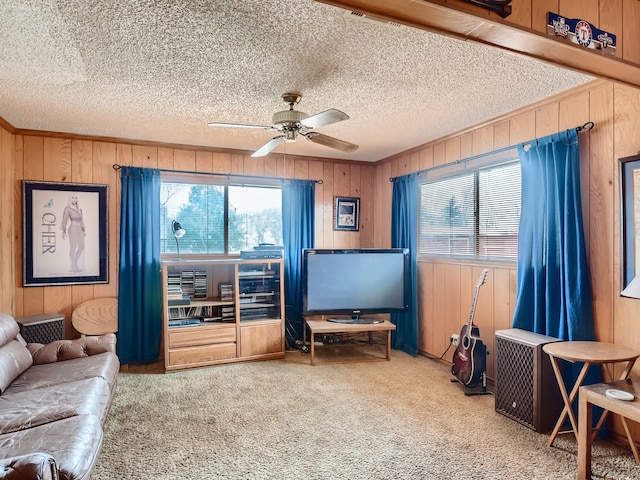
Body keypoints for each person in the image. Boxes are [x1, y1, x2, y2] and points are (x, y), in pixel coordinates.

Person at [60, 194, 86, 273]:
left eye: (76, 198)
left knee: (81, 247)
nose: (74, 199)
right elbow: (65, 220)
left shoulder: (79, 209)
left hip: (79, 230)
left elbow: (82, 220)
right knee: (73, 247)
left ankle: (74, 264)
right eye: (72, 198)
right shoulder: (67, 209)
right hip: (73, 229)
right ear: (70, 199)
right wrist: (64, 230)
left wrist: (83, 229)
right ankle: (74, 266)